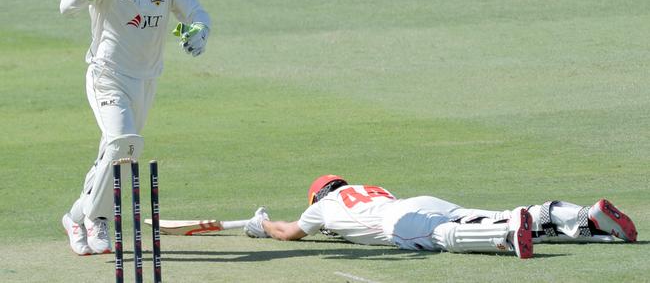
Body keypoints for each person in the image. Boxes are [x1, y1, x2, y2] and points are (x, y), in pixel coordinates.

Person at [59, 0, 211, 255]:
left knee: (114, 154)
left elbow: (197, 13)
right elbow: (66, 6)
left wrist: (198, 32)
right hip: (107, 77)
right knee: (125, 145)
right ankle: (97, 218)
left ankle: (74, 216)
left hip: (146, 81)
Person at [244, 175, 638, 259]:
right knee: (495, 214)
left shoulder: (321, 207)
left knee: (442, 237)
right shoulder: (368, 188)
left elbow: (290, 232)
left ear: (318, 195)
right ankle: (586, 217)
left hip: (398, 224)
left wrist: (262, 224)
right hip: (422, 200)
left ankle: (504, 237)